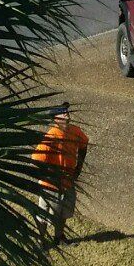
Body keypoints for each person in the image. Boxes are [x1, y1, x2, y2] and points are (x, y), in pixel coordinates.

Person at [30, 102, 89, 244]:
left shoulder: (75, 131)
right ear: (55, 118)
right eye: (62, 112)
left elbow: (84, 145)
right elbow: (36, 158)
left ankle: (59, 237)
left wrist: (78, 168)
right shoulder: (51, 136)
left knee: (64, 212)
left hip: (68, 181)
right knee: (44, 213)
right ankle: (40, 240)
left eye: (66, 111)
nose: (66, 113)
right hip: (51, 184)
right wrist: (50, 175)